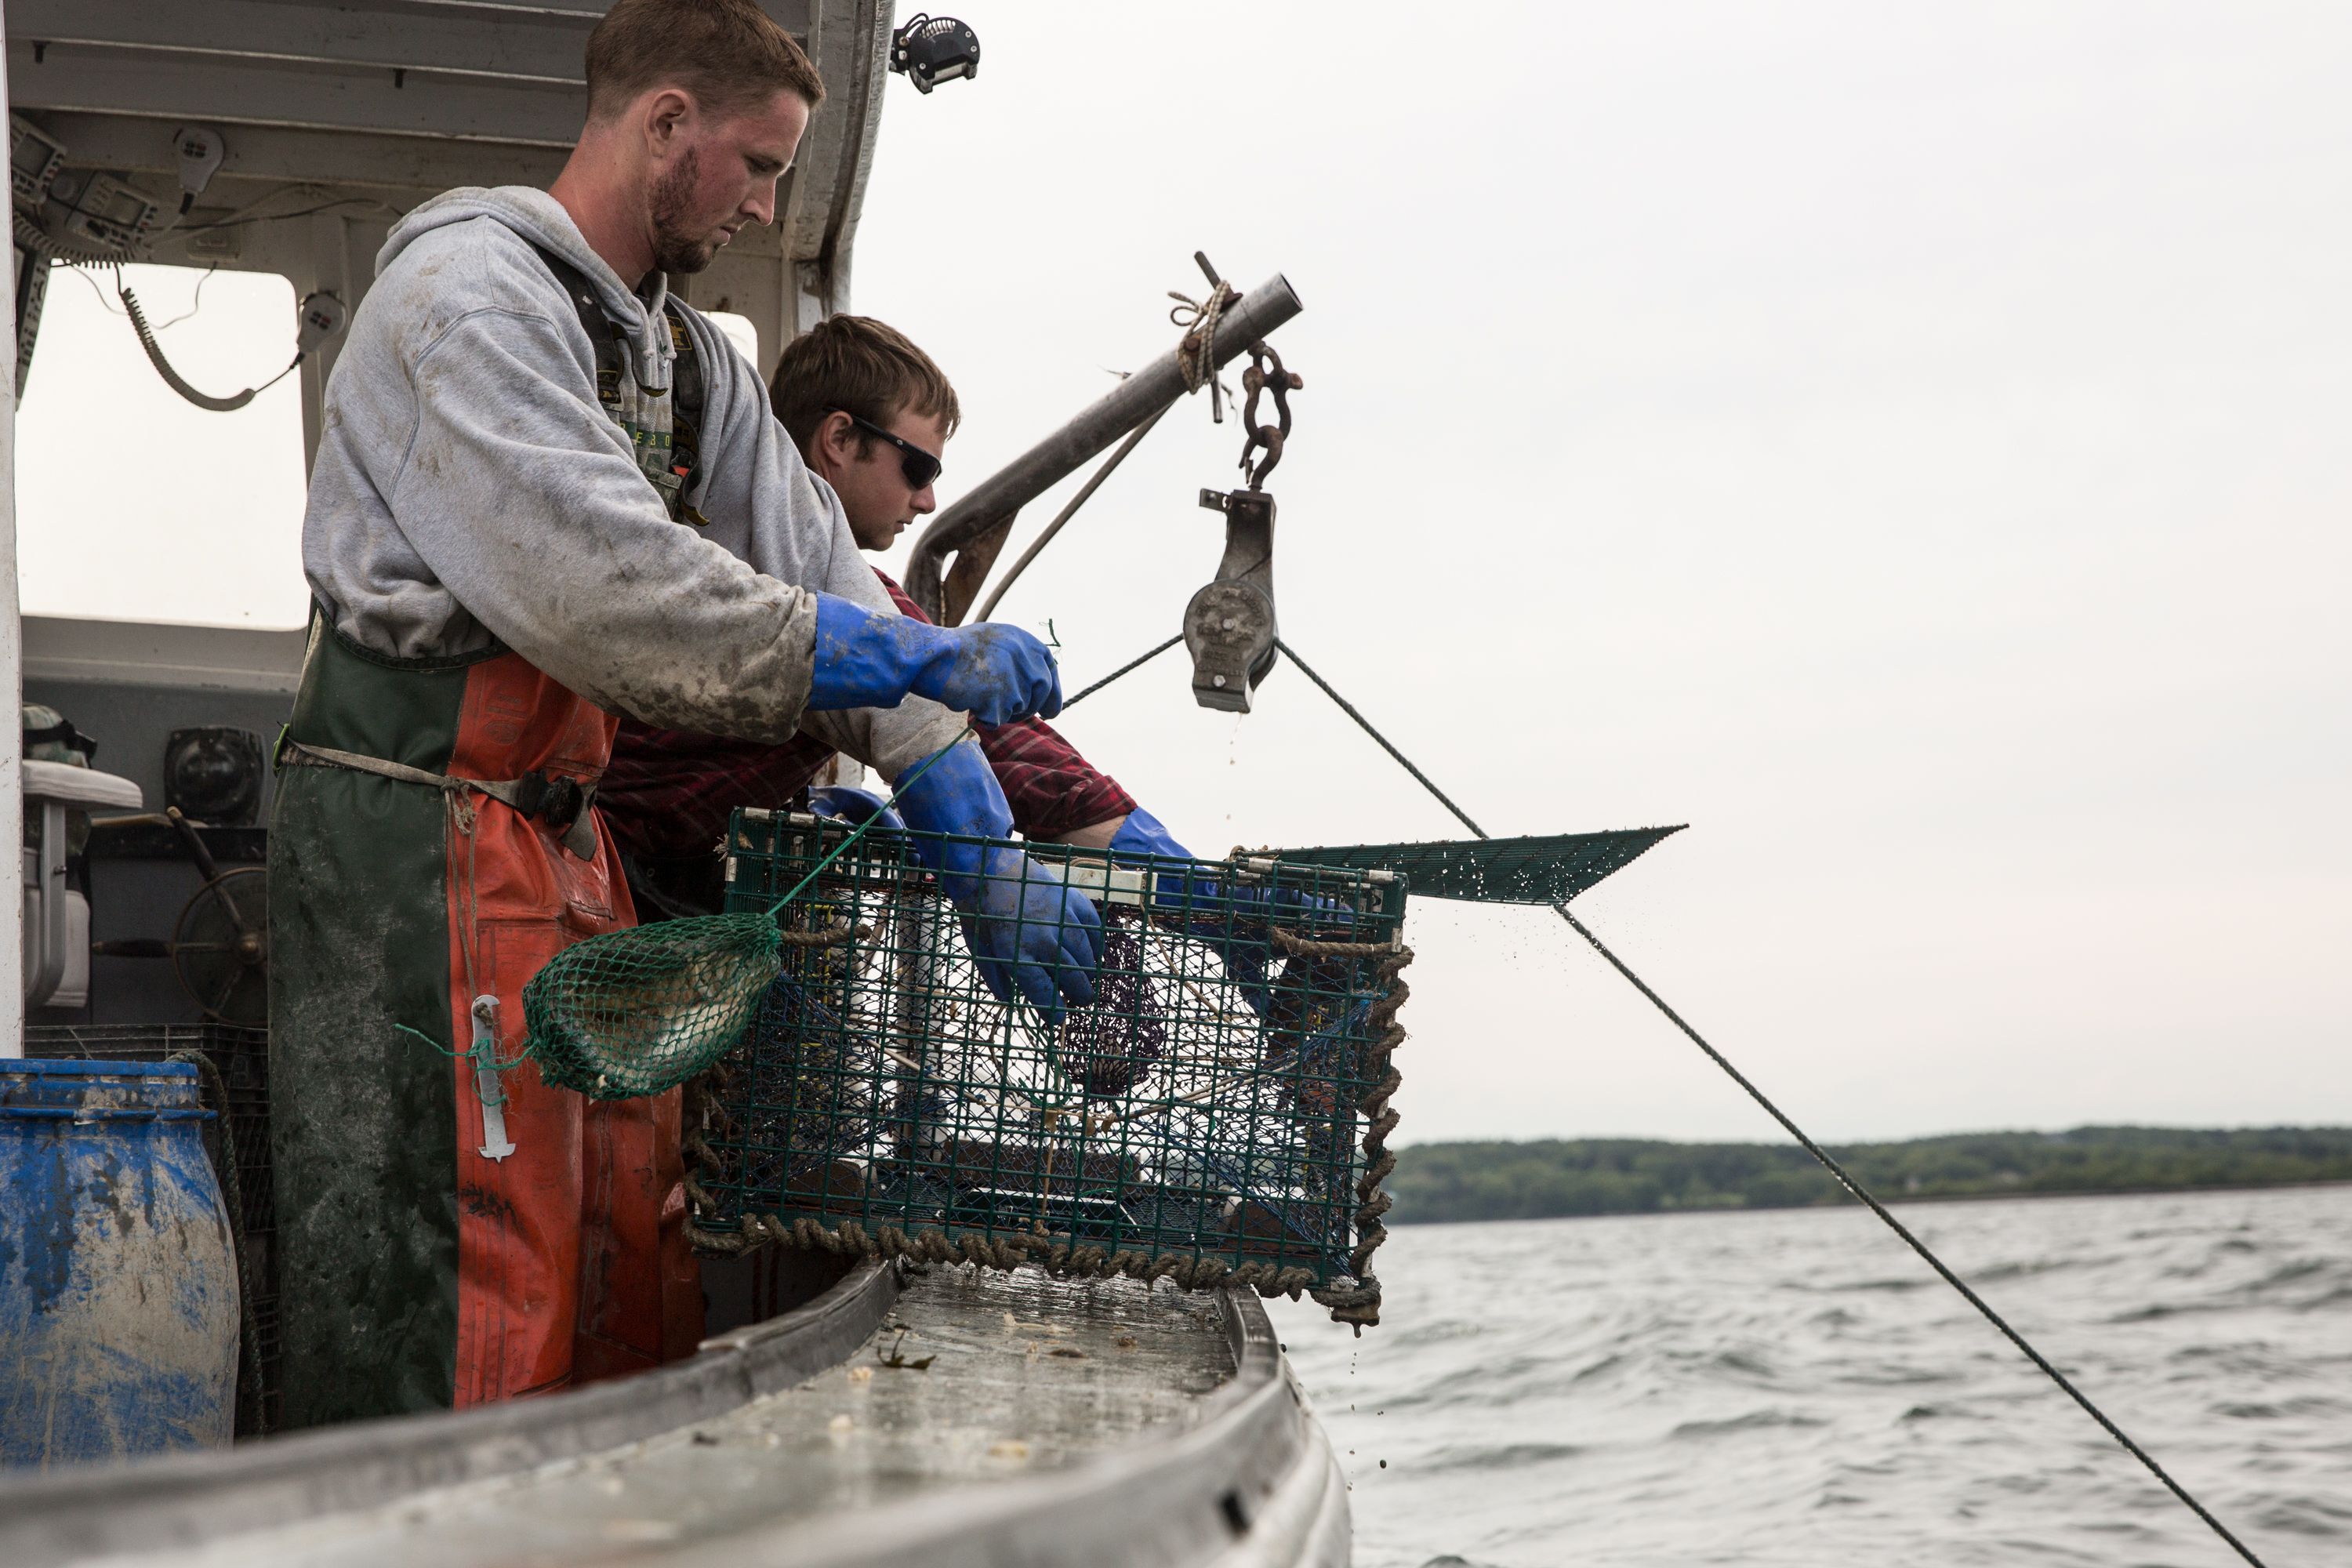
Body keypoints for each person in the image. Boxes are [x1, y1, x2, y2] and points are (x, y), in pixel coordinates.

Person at [270, 0, 1098, 1430]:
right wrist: (894, 662)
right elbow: (611, 595)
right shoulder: (469, 301)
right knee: (475, 1268)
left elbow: (816, 557)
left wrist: (967, 820)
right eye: (759, 166)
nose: (768, 204)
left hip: (554, 843)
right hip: (416, 846)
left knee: (617, 1245)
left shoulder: (676, 351)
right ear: (665, 126)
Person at [600, 314, 1203, 902]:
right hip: (606, 886)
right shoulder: (801, 587)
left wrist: (823, 805)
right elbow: (983, 732)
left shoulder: (736, 555)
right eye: (918, 466)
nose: (928, 497)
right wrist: (1175, 876)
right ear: (839, 439)